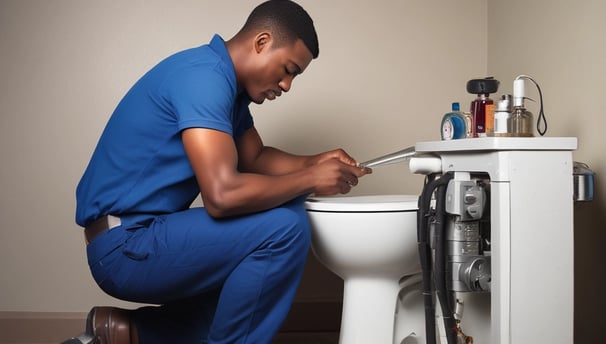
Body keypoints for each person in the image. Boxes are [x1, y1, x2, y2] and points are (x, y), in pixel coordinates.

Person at [72, 1, 370, 343]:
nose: (287, 85)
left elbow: (254, 158)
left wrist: (316, 162)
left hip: (140, 236)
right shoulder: (205, 78)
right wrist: (311, 179)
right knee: (285, 227)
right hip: (125, 245)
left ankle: (126, 333)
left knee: (245, 293)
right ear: (261, 43)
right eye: (288, 69)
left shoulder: (226, 87)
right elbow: (222, 196)